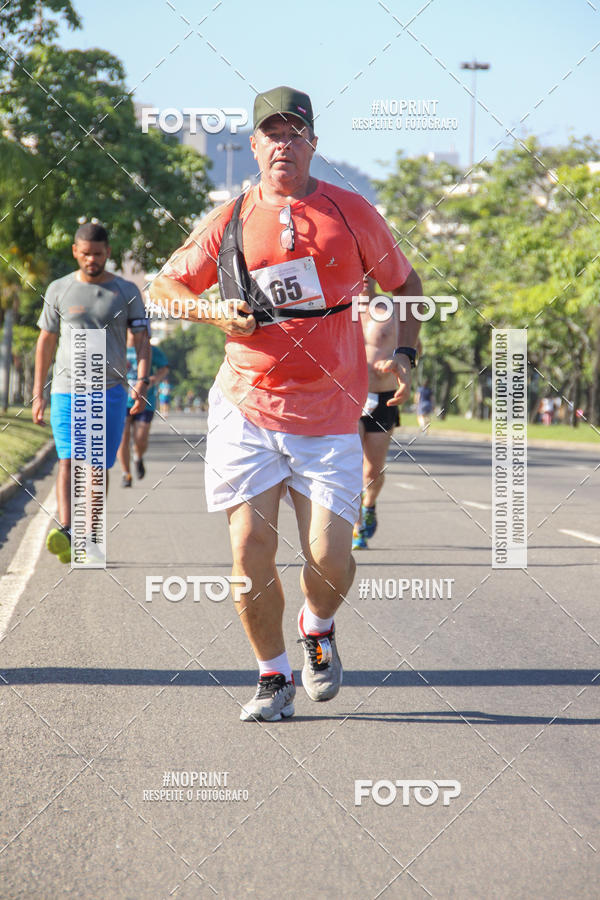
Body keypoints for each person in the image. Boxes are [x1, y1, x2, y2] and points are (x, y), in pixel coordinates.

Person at [150, 85, 422, 721]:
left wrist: (404, 356)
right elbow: (164, 286)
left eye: (294, 133)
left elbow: (405, 282)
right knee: (248, 548)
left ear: (312, 144)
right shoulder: (230, 219)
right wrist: (213, 311)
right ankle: (273, 675)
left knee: (329, 557)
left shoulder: (352, 212)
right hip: (247, 404)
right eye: (271, 134)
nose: (283, 144)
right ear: (253, 146)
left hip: (330, 413)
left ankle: (317, 625)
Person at [32, 222, 150, 563]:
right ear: (75, 251)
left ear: (108, 252)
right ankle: (69, 531)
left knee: (96, 467)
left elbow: (142, 341)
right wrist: (39, 392)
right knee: (68, 459)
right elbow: (45, 342)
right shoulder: (58, 290)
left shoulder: (126, 292)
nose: (91, 260)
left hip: (109, 391)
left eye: (98, 254)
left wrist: (141, 382)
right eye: (85, 254)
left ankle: (90, 536)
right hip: (67, 390)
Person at [352, 278, 404, 551]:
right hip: (349, 395)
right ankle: (357, 524)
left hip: (383, 395)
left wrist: (396, 361)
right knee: (352, 463)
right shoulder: (340, 308)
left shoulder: (392, 311)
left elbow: (411, 348)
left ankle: (369, 504)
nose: (361, 280)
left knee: (372, 468)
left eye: (366, 273)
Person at [118, 329, 169, 486]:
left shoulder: (149, 350)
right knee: (123, 437)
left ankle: (138, 457)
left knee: (140, 438)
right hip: (122, 400)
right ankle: (126, 474)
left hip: (145, 401)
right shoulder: (118, 349)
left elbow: (165, 367)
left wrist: (154, 379)